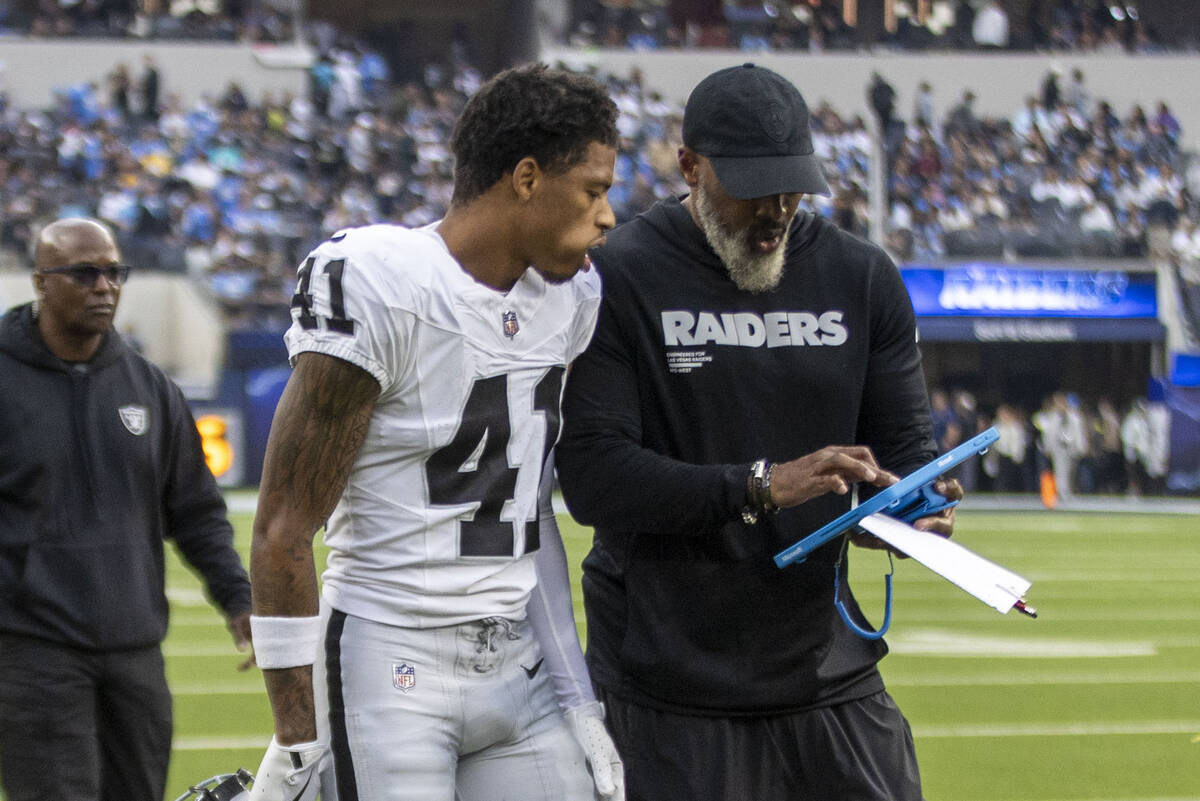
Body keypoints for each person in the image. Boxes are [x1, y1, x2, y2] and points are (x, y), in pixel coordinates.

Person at [556, 63, 962, 801]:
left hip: (826, 670)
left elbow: (902, 452)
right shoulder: (618, 277)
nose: (777, 208)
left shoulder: (862, 278)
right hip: (669, 679)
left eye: (793, 186)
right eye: (753, 187)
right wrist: (762, 486)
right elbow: (593, 476)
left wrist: (909, 510)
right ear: (690, 165)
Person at [247, 64, 625, 801]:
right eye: (594, 189)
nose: (607, 216)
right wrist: (297, 741)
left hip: (517, 665)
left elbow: (529, 516)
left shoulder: (572, 297)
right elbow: (284, 529)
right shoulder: (381, 279)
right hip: (391, 657)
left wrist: (578, 698)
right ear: (525, 178)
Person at [0, 218, 252, 801]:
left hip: (134, 651)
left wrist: (237, 598)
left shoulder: (149, 386)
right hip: (33, 651)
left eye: (114, 272)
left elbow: (195, 508)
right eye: (84, 273)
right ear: (41, 281)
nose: (104, 286)